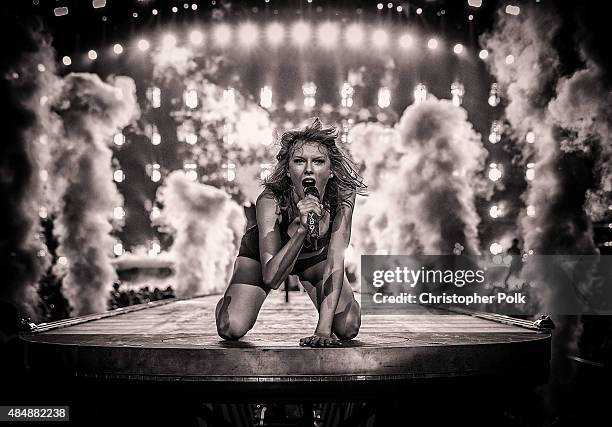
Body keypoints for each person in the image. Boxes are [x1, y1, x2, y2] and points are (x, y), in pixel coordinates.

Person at [215, 118, 367, 347]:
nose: (308, 169)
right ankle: (231, 299)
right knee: (231, 328)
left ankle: (343, 309)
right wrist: (301, 230)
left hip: (315, 259)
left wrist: (323, 331)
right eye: (299, 161)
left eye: (318, 161)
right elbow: (271, 277)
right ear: (288, 170)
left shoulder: (343, 196)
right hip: (266, 258)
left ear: (331, 170)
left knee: (347, 327)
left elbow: (336, 261)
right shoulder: (270, 200)